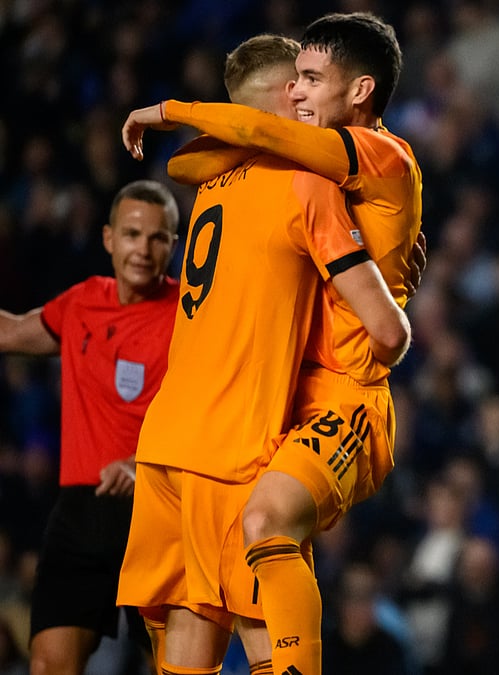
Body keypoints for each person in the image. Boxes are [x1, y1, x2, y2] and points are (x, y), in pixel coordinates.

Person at [120, 13, 423, 674]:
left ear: (361, 89)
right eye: (301, 82)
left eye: (316, 80)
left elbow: (227, 144)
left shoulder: (221, 183)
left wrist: (171, 111)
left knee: (247, 549)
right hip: (258, 419)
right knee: (246, 574)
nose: (306, 95)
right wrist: (386, 281)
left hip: (299, 411)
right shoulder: (304, 181)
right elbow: (227, 149)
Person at [0, 179, 179, 675]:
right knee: (48, 666)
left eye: (157, 237)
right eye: (132, 234)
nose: (143, 249)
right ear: (108, 239)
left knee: (178, 669)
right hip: (80, 512)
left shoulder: (191, 318)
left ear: (173, 244)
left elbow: (214, 416)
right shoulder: (82, 303)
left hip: (158, 510)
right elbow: (12, 330)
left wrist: (144, 465)